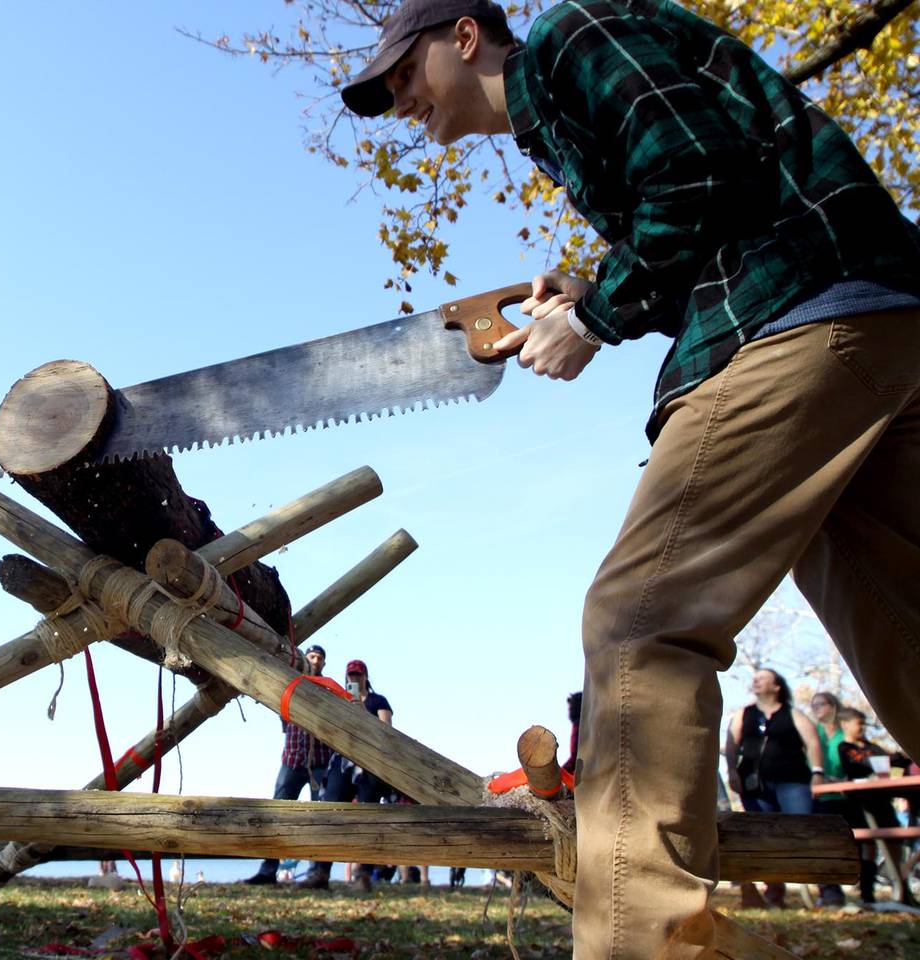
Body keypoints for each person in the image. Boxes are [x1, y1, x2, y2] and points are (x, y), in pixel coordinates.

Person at [339, 0, 920, 953]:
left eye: (404, 75)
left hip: (797, 318)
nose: (400, 102)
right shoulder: (560, 119)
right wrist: (592, 286)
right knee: (903, 629)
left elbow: (698, 172)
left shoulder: (573, 40)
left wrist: (595, 318)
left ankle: (643, 944)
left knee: (638, 621)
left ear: (466, 36)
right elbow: (707, 196)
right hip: (873, 321)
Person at [723, 669, 822, 907]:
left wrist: (817, 772)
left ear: (777, 686)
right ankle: (774, 893)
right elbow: (730, 744)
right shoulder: (743, 715)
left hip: (793, 781)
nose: (756, 680)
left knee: (803, 829)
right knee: (762, 836)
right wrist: (733, 771)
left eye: (763, 677)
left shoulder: (793, 714)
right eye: (755, 678)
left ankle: (828, 891)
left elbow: (812, 742)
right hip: (754, 785)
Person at [297, 659, 393, 890]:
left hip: (370, 765)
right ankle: (320, 872)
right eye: (351, 675)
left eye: (358, 675)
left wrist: (362, 714)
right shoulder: (339, 698)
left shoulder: (378, 701)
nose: (354, 679)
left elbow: (387, 731)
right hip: (341, 762)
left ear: (366, 676)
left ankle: (363, 875)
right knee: (330, 813)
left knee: (367, 817)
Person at [244, 644, 335, 885]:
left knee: (322, 817)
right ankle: (267, 870)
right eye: (312, 656)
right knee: (277, 812)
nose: (315, 660)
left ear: (324, 664)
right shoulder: (291, 682)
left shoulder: (330, 688)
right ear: (305, 658)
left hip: (321, 761)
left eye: (319, 658)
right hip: (292, 759)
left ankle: (317, 873)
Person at [835, 707, 914, 905]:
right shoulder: (845, 748)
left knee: (895, 845)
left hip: (882, 801)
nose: (861, 728)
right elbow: (857, 766)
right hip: (861, 803)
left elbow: (895, 761)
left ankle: (903, 890)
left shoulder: (872, 746)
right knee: (868, 847)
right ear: (846, 725)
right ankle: (866, 894)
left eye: (863, 724)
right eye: (858, 724)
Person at [809, 692, 848, 906]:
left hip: (848, 794)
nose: (816, 709)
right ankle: (828, 890)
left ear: (832, 705)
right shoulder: (813, 733)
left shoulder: (847, 730)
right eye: (813, 705)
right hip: (820, 795)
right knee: (822, 840)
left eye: (820, 704)